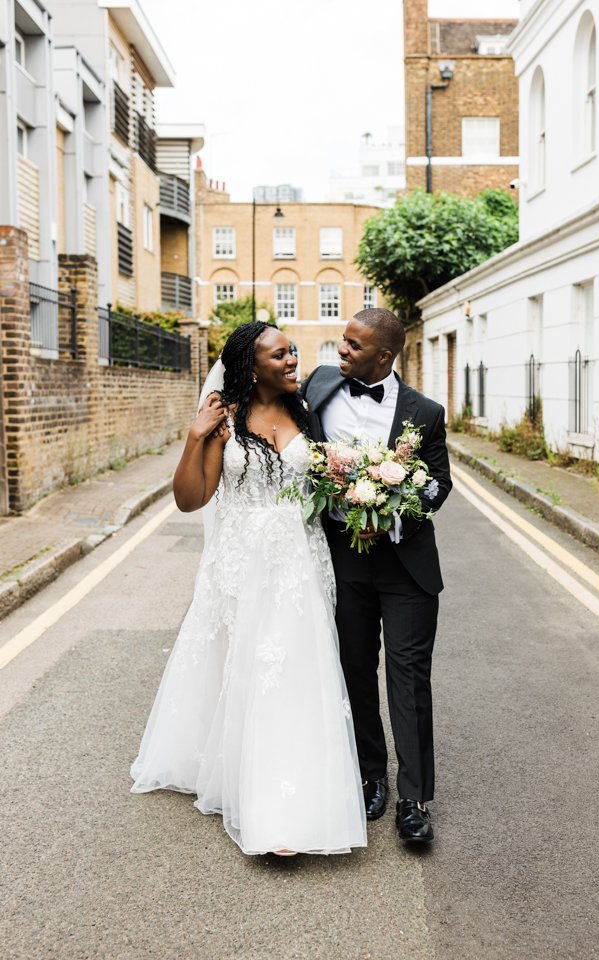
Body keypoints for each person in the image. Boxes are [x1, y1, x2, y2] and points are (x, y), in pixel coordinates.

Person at [130, 321, 367, 857]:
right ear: (250, 365)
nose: (292, 360)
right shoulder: (225, 419)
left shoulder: (307, 409)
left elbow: (327, 480)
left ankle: (292, 799)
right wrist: (196, 436)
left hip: (302, 563)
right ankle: (260, 800)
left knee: (294, 671)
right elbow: (191, 500)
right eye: (280, 354)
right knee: (247, 668)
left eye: (293, 352)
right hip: (241, 559)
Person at [299, 308, 452, 844]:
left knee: (409, 679)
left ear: (383, 357)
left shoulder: (426, 412)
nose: (341, 351)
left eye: (353, 346)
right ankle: (370, 776)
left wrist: (400, 499)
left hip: (405, 564)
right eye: (342, 341)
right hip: (345, 558)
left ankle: (414, 799)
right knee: (355, 670)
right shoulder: (317, 386)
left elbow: (439, 485)